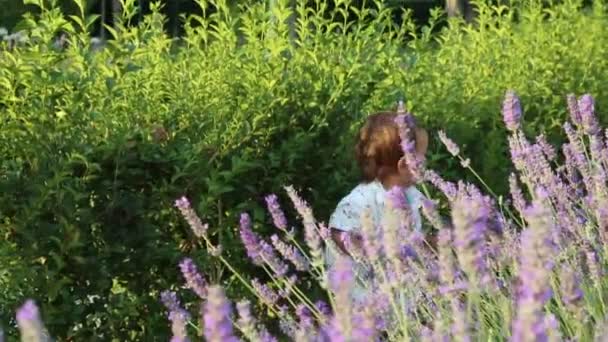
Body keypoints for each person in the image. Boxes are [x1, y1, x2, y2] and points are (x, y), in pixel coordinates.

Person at [325, 105, 429, 302]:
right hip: (365, 302)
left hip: (401, 299)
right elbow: (336, 233)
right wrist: (369, 249)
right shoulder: (361, 200)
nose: (426, 160)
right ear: (404, 165)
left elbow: (413, 241)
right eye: (423, 155)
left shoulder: (411, 196)